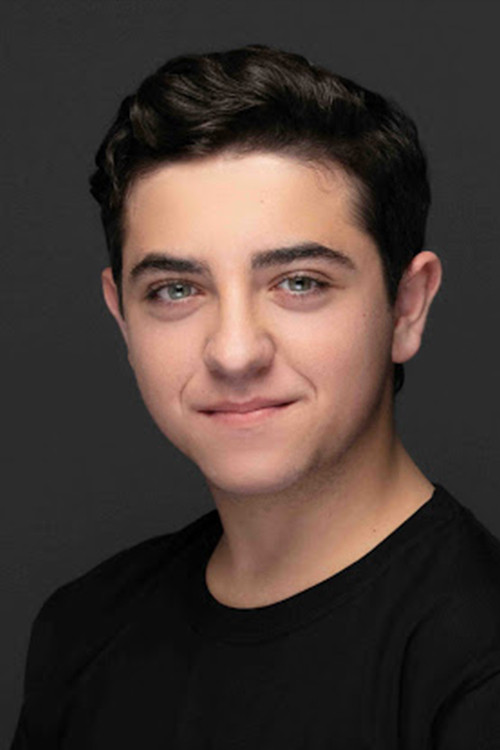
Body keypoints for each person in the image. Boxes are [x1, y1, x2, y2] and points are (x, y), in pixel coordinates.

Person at [11, 44, 500, 749]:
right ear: (122, 318)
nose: (234, 352)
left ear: (406, 307)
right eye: (175, 290)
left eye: (299, 282)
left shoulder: (477, 665)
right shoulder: (83, 632)